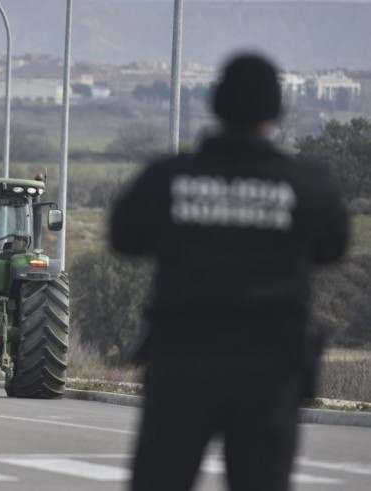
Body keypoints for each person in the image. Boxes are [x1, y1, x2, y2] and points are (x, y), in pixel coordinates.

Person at [109, 53, 349, 491]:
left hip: (182, 362)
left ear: (216, 104)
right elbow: (332, 248)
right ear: (276, 110)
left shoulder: (168, 179)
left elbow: (124, 238)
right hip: (270, 370)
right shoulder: (307, 185)